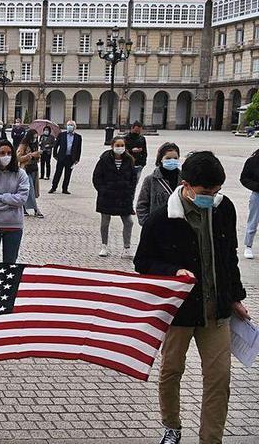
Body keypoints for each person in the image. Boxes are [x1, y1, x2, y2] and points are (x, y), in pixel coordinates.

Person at [133, 151, 249, 444]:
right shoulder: (161, 219)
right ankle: (171, 426)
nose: (211, 197)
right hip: (179, 312)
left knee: (219, 379)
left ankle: (211, 439)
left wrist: (235, 296)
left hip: (217, 310)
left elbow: (229, 256)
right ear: (186, 185)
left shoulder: (224, 209)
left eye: (216, 191)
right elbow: (143, 263)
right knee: (171, 371)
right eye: (205, 192)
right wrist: (173, 270)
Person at [92, 136, 137, 258]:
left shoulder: (129, 160)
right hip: (107, 196)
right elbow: (96, 177)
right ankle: (104, 246)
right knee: (105, 222)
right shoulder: (104, 159)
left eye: (122, 145)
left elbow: (134, 177)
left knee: (129, 222)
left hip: (123, 196)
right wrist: (103, 190)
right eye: (117, 145)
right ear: (112, 146)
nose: (120, 148)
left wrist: (129, 189)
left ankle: (126, 248)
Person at [136, 142, 181, 226]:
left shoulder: (184, 180)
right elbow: (141, 205)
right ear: (161, 159)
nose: (172, 161)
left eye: (175, 158)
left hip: (179, 226)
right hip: (157, 226)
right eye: (168, 158)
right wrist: (147, 223)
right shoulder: (150, 180)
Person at [48, 120, 82, 194]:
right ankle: (54, 187)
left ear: (74, 127)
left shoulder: (78, 137)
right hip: (61, 157)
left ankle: (65, 188)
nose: (70, 126)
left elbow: (79, 149)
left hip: (71, 158)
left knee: (68, 174)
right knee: (58, 173)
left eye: (71, 125)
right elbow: (56, 145)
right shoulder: (61, 135)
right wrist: (55, 155)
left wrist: (77, 159)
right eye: (68, 125)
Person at [16, 129, 44, 218]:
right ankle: (36, 209)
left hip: (34, 169)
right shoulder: (23, 145)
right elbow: (19, 158)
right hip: (25, 169)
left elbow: (36, 158)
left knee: (31, 189)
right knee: (30, 189)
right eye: (34, 137)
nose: (35, 139)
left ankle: (24, 207)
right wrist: (31, 155)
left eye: (36, 137)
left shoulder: (35, 145)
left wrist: (38, 155)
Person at [241, 147, 259, 259]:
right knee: (253, 220)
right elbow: (244, 178)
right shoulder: (252, 161)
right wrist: (256, 186)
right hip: (257, 195)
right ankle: (248, 246)